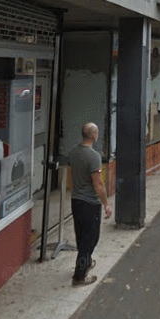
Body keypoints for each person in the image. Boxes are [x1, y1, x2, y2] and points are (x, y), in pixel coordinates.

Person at [67, 122, 109, 287]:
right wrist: (106, 203)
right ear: (93, 135)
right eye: (97, 133)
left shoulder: (73, 152)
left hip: (76, 200)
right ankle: (79, 276)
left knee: (81, 235)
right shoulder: (94, 157)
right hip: (90, 203)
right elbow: (98, 184)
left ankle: (86, 262)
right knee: (90, 239)